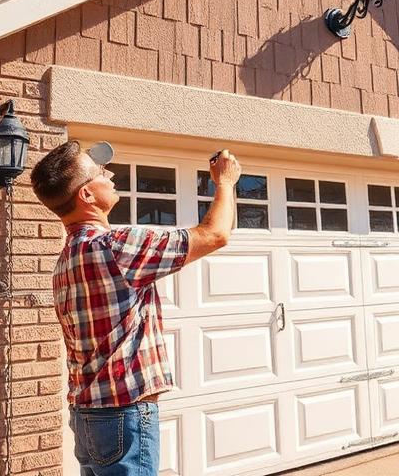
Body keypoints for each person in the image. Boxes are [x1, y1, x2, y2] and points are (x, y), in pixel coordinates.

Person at [30, 141, 241, 475]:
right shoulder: (115, 247)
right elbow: (215, 234)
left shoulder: (65, 261)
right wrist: (225, 183)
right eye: (100, 172)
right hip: (123, 415)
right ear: (86, 195)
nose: (109, 174)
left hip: (87, 416)